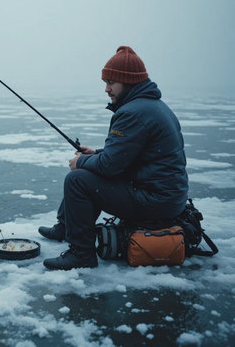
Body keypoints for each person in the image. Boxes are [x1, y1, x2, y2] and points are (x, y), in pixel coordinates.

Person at [40, 46, 188, 270]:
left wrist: (81, 161)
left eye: (111, 83)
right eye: (105, 82)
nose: (106, 89)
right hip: (166, 197)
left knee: (78, 179)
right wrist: (96, 154)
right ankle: (66, 228)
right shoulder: (153, 106)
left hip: (154, 202)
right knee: (89, 170)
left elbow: (110, 167)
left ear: (128, 82)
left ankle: (81, 255)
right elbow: (128, 157)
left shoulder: (132, 112)